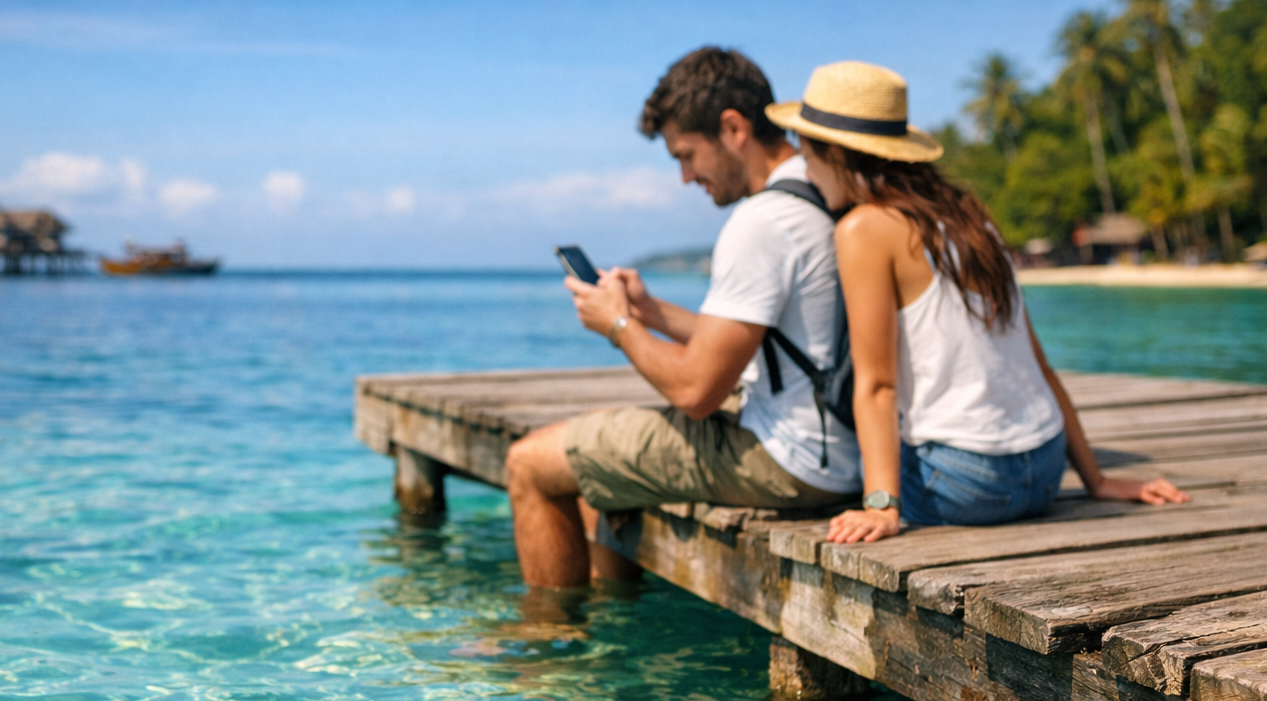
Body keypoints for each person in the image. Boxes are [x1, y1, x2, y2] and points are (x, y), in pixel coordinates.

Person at [762, 61, 1188, 544]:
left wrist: (880, 505)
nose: (806, 172)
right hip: (1045, 472)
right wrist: (1097, 480)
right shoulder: (970, 218)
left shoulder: (863, 228)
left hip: (968, 485)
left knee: (836, 465)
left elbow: (878, 385)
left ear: (837, 154)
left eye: (807, 155)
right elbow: (1040, 366)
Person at [505, 47, 862, 589]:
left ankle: (550, 637)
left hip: (792, 462)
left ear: (734, 128)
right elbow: (763, 338)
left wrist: (619, 327)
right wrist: (649, 312)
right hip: (841, 447)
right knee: (594, 453)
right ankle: (612, 612)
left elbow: (696, 392)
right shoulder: (818, 191)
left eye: (687, 155)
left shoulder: (762, 222)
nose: (685, 176)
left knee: (530, 464)